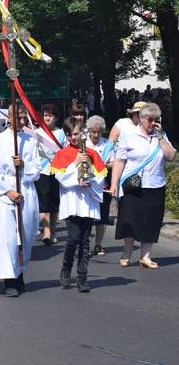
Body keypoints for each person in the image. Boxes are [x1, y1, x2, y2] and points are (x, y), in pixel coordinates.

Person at [0, 104, 41, 297]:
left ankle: (20, 273)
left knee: (26, 235)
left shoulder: (30, 141)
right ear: (10, 117)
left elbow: (37, 168)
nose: (22, 122)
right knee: (9, 239)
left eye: (24, 118)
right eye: (19, 118)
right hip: (5, 194)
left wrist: (24, 164)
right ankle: (10, 280)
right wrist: (7, 192)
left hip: (26, 190)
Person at [108, 102, 176, 268]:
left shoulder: (161, 136)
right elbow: (119, 160)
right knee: (129, 219)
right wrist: (114, 183)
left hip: (155, 184)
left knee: (151, 221)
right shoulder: (129, 135)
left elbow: (171, 157)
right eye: (149, 119)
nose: (152, 122)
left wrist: (160, 137)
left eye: (155, 119)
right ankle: (127, 251)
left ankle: (145, 257)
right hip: (133, 185)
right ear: (141, 118)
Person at [51, 117, 107, 293]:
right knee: (73, 238)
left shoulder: (91, 153)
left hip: (87, 200)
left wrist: (90, 181)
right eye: (72, 135)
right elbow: (60, 177)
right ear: (67, 136)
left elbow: (101, 176)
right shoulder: (62, 154)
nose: (75, 137)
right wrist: (76, 166)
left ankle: (82, 277)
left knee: (84, 241)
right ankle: (66, 268)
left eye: (78, 133)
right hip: (72, 200)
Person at [34, 103, 65, 245]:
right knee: (43, 202)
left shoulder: (61, 133)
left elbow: (65, 152)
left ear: (56, 118)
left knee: (54, 202)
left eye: (50, 116)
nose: (47, 118)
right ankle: (46, 232)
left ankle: (53, 231)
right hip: (42, 171)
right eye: (45, 115)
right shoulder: (37, 133)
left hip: (57, 171)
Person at [85, 115, 114, 257]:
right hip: (88, 186)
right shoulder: (83, 144)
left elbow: (115, 162)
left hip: (103, 186)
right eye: (93, 131)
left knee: (102, 217)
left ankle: (98, 244)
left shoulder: (107, 144)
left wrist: (104, 165)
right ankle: (86, 245)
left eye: (99, 132)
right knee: (88, 217)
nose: (96, 135)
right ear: (88, 131)